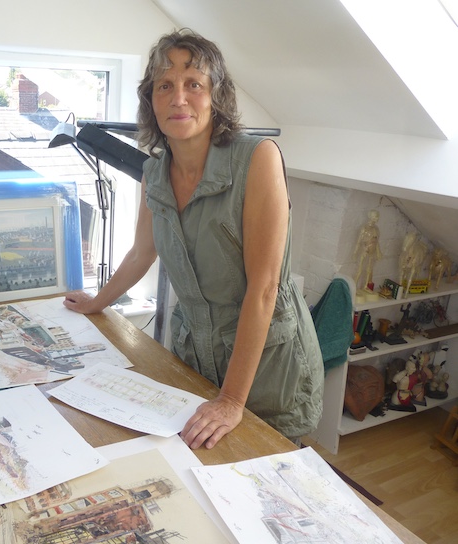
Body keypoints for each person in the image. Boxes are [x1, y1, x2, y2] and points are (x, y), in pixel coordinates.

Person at [64, 29, 323, 449]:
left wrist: (232, 400)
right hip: (195, 358)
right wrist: (97, 302)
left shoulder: (257, 158)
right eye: (164, 85)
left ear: (216, 96)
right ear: (151, 100)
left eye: (194, 84)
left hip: (267, 370)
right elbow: (140, 253)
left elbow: (264, 289)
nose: (178, 98)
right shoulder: (154, 172)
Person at [352, 209, 382, 291]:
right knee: (360, 269)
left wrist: (379, 252)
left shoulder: (376, 229)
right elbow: (359, 241)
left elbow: (376, 241)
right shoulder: (364, 228)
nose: (377, 218)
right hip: (364, 250)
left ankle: (365, 287)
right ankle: (354, 287)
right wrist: (355, 252)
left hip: (372, 251)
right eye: (375, 216)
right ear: (371, 217)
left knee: (369, 269)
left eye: (377, 216)